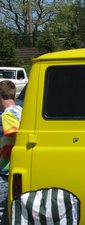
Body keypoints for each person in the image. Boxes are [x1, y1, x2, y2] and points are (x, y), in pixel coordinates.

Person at [0, 80, 22, 225]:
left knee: (2, 209)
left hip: (6, 169)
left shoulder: (7, 116)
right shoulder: (22, 110)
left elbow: (17, 136)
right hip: (17, 167)